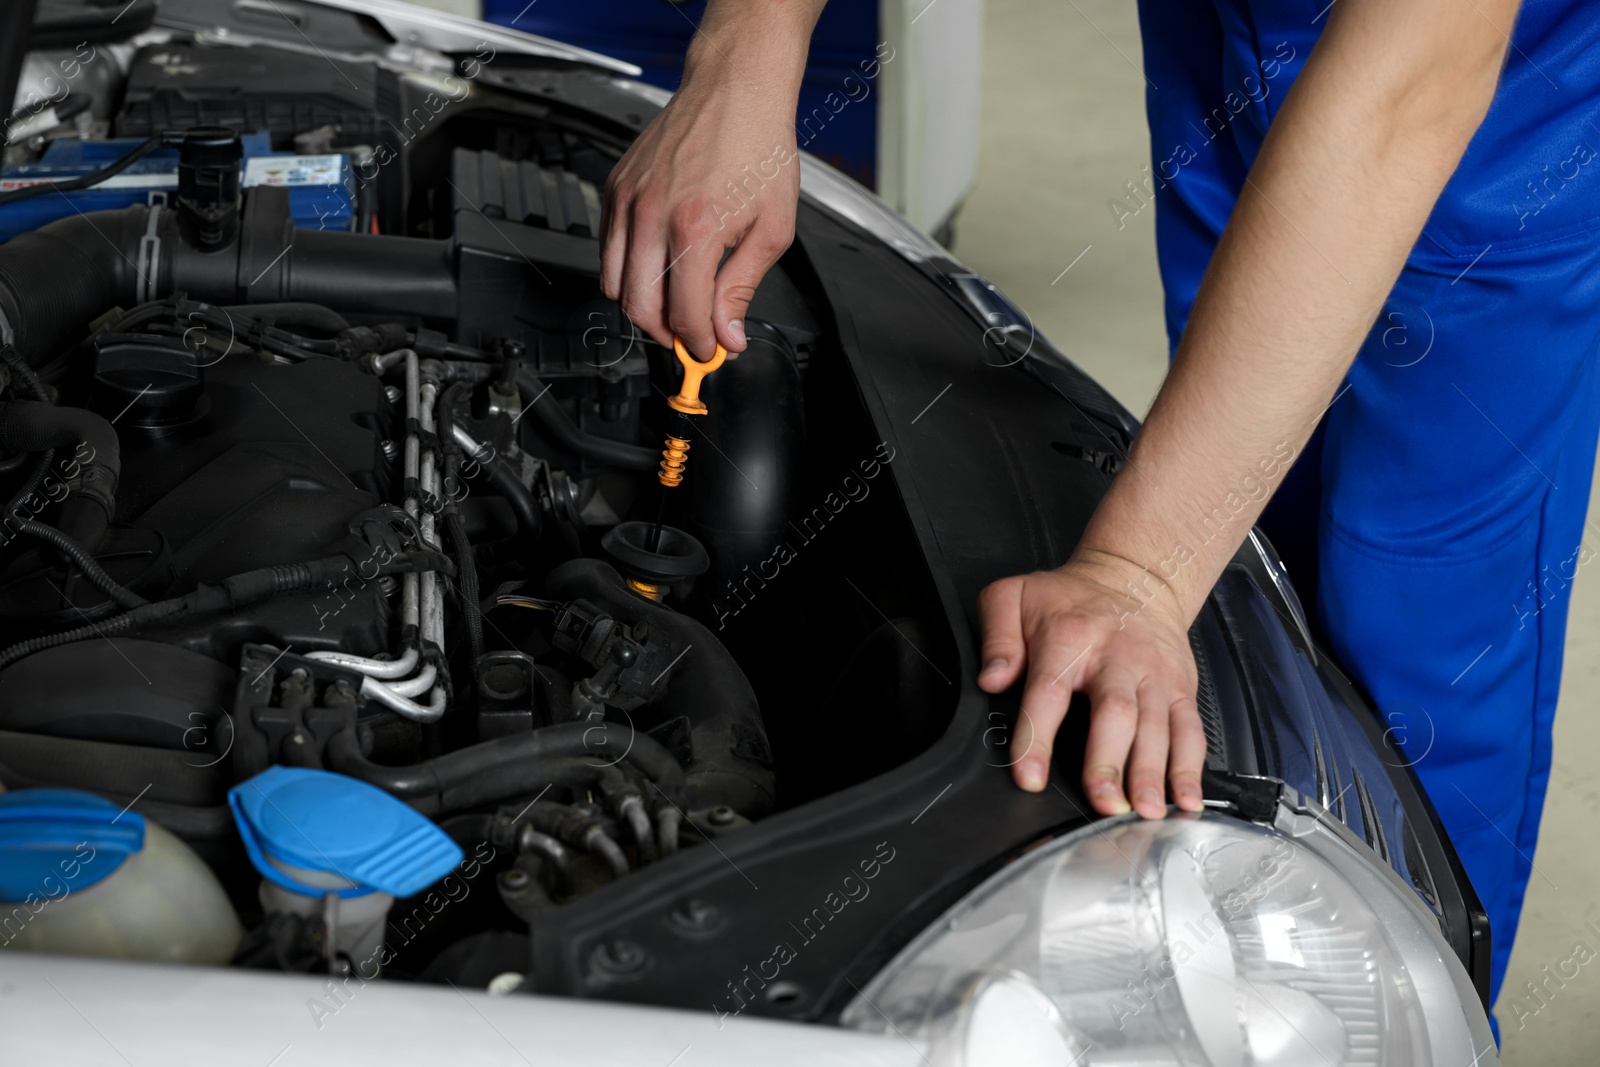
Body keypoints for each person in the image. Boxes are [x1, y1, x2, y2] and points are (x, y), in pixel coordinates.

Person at [599, 0, 1590, 1012]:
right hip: (1228, 32)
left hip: (1492, 100)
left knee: (1418, 646)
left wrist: (1140, 572)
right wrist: (748, 57)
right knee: (1255, 567)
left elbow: (1402, 92)